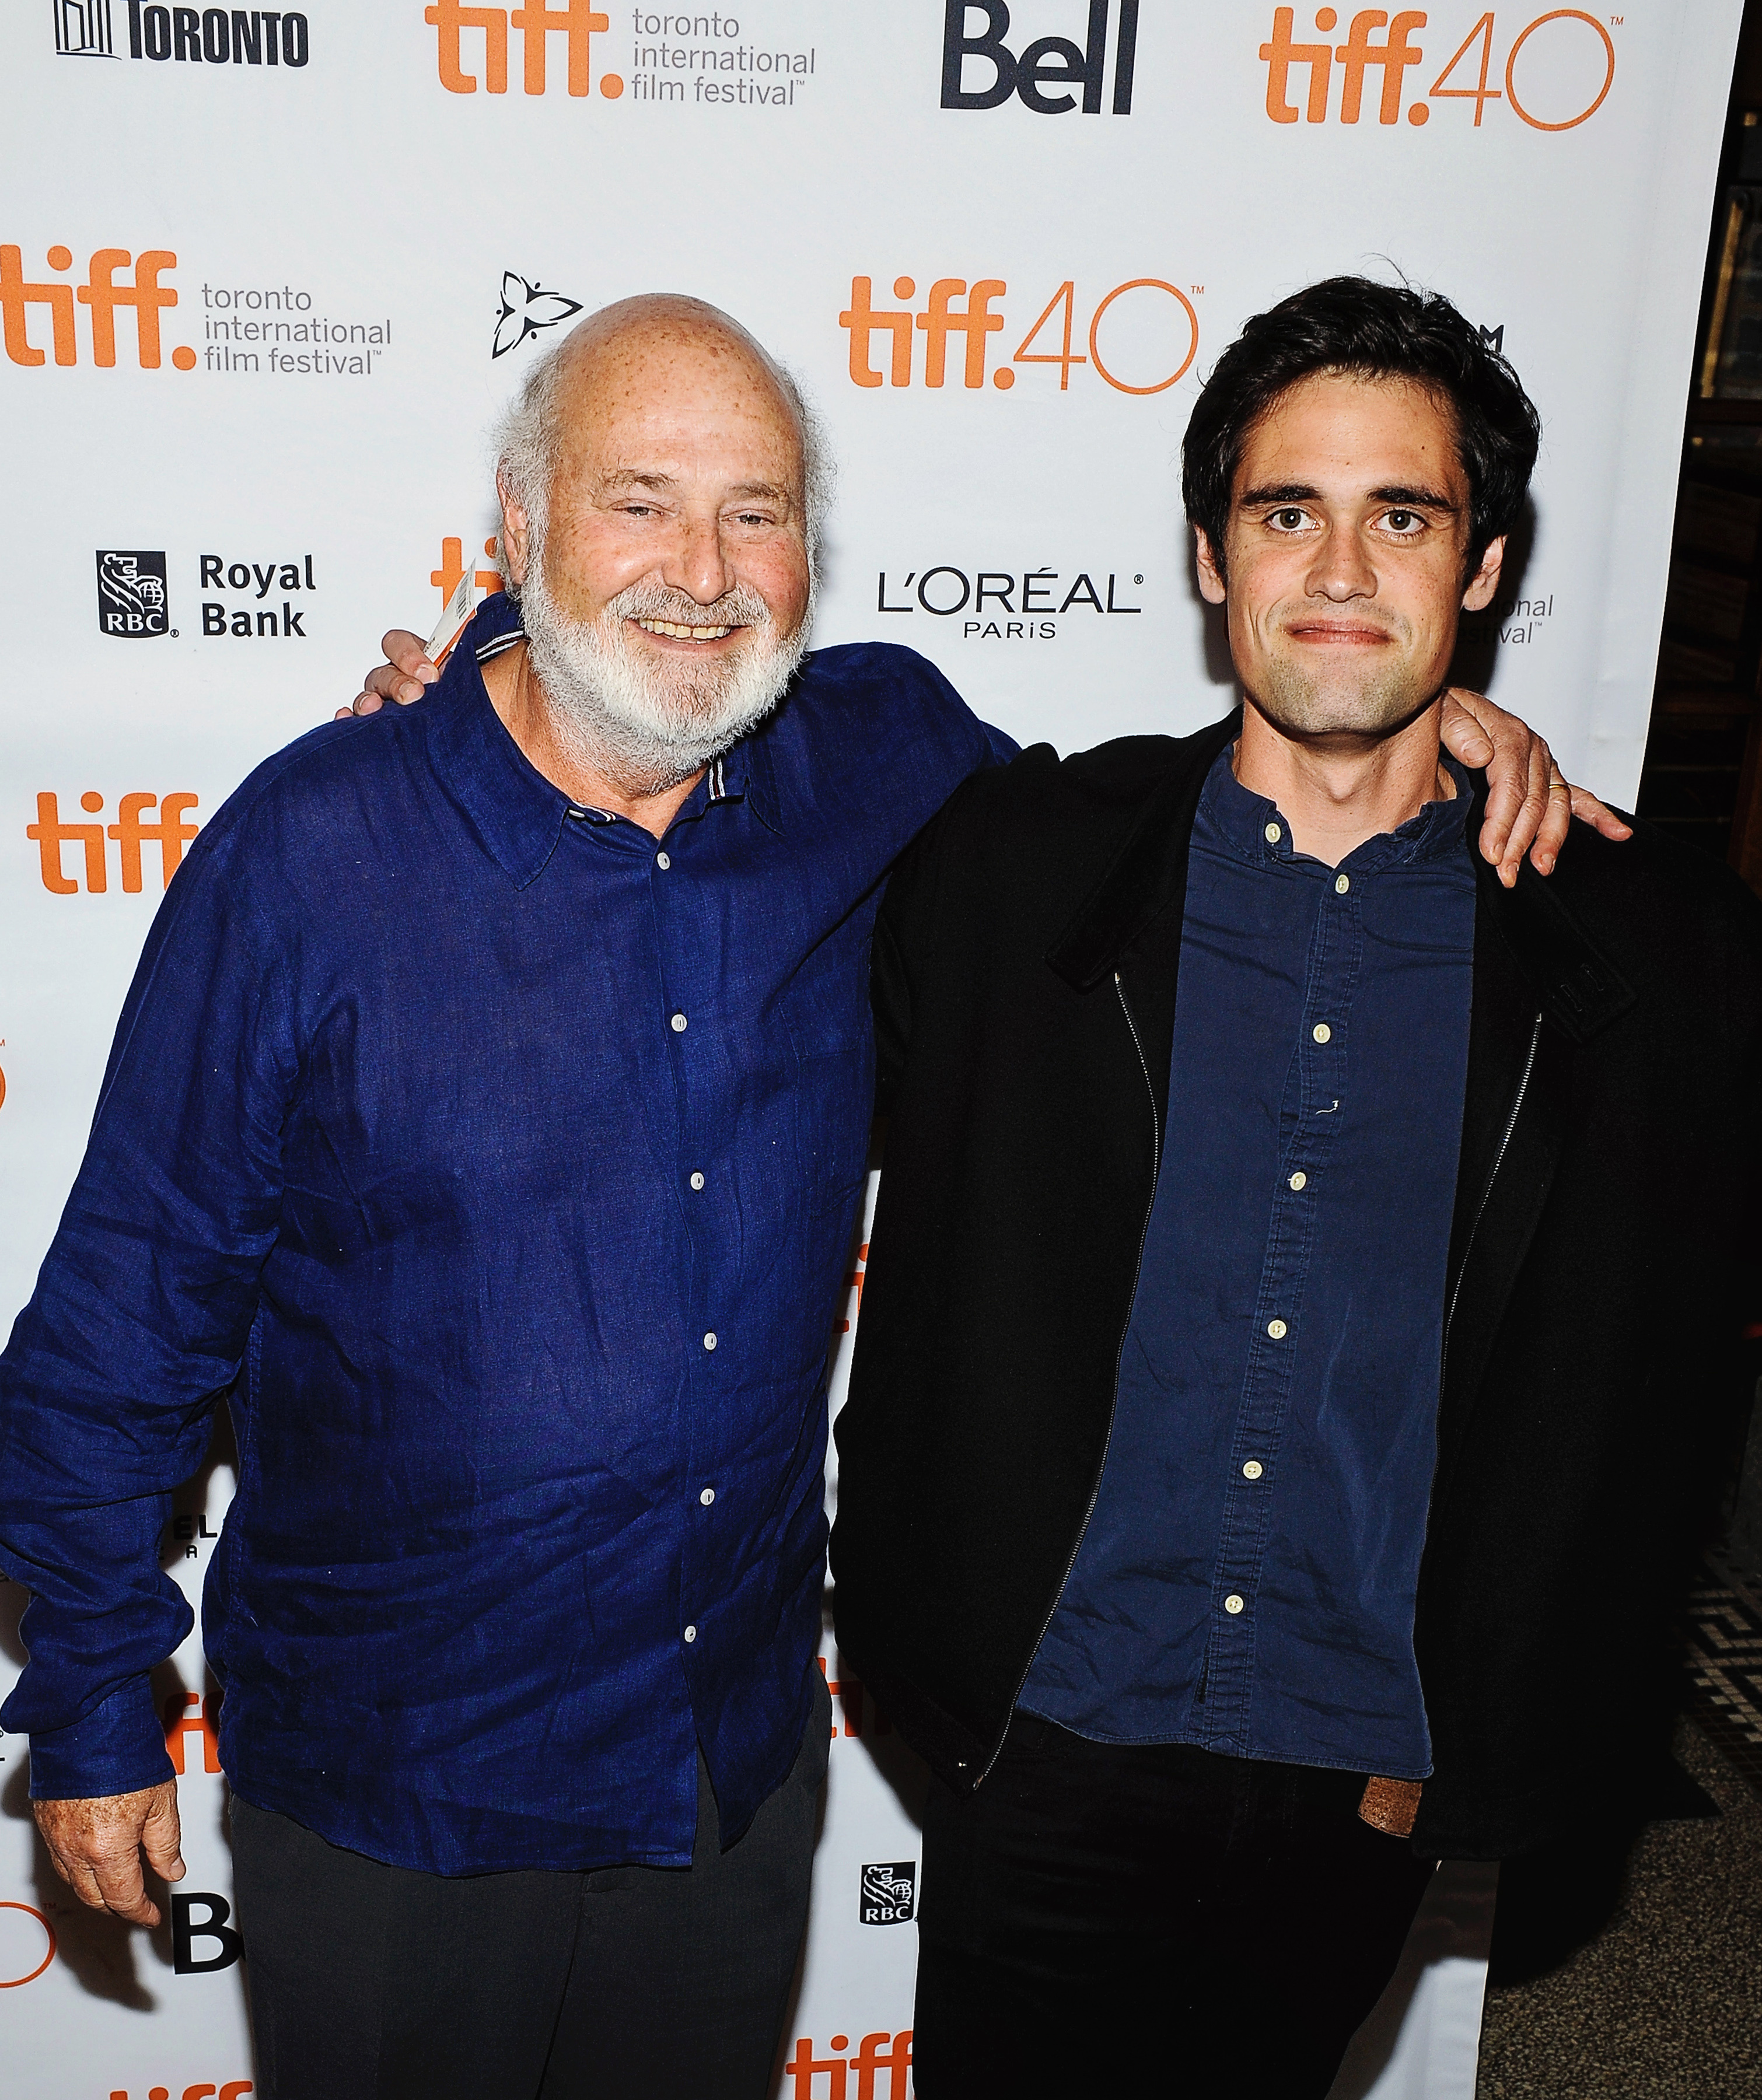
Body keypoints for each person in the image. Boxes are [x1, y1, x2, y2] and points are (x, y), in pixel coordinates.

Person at [2, 289, 1600, 2100]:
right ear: (516, 533)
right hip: (401, 1779)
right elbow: (123, 1317)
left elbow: (1150, 874)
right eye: (639, 500)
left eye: (755, 510)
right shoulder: (313, 853)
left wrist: (1430, 723)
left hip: (722, 1769)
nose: (703, 567)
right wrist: (90, 1709)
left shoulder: (881, 760)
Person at [829, 276, 1762, 2098]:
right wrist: (493, 659)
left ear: (1478, 567)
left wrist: (1501, 1715)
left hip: (1365, 1762)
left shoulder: (1639, 955)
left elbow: (1649, 1398)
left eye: (1399, 514)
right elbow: (753, 721)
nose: (1341, 568)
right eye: (1287, 512)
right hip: (1053, 1721)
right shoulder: (1022, 871)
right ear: (1208, 556)